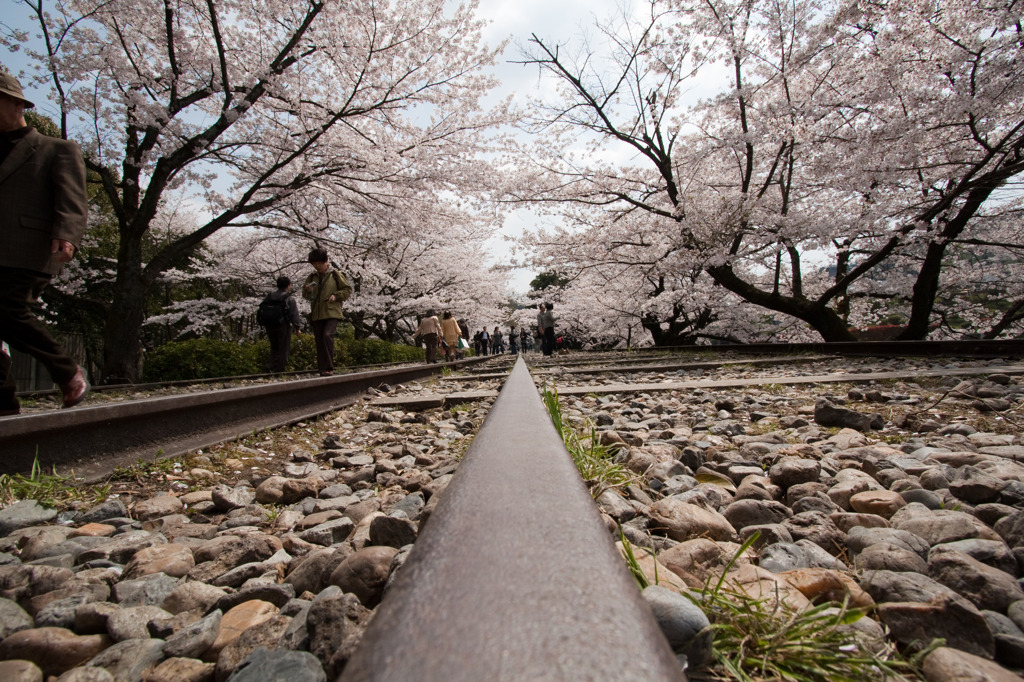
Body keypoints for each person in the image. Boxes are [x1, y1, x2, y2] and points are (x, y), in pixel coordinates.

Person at [0, 71, 89, 414]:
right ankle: (3, 404)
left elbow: (72, 197)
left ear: (16, 102)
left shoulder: (56, 149)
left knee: (7, 307)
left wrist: (67, 232)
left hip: (27, 248)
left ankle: (67, 372)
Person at [302, 248, 352, 376]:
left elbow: (347, 290)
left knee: (327, 335)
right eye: (314, 264)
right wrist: (308, 290)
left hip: (332, 312)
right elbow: (305, 296)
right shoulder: (312, 277)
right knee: (319, 340)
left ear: (325, 262)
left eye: (319, 263)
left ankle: (329, 367)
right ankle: (321, 368)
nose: (317, 266)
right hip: (317, 313)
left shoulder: (335, 275)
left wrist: (336, 295)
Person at [259, 276, 302, 372]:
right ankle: (279, 369)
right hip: (283, 325)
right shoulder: (289, 298)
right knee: (283, 347)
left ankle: (269, 366)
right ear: (288, 286)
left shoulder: (269, 296)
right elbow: (294, 314)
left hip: (269, 324)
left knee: (274, 346)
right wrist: (297, 327)